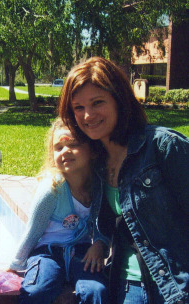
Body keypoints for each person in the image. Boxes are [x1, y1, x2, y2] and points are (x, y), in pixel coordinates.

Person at [58, 57, 189, 304]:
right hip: (125, 285)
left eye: (97, 103)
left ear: (119, 101)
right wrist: (99, 242)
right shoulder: (97, 161)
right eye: (78, 107)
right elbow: (110, 218)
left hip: (175, 287)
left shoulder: (161, 146)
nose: (88, 115)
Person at [8, 118, 108, 304]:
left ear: (93, 150)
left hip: (82, 252)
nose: (65, 151)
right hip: (48, 253)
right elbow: (32, 232)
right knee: (38, 290)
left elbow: (104, 222)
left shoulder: (99, 187)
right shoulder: (52, 190)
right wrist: (14, 266)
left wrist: (100, 244)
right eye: (58, 147)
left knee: (97, 291)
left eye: (74, 144)